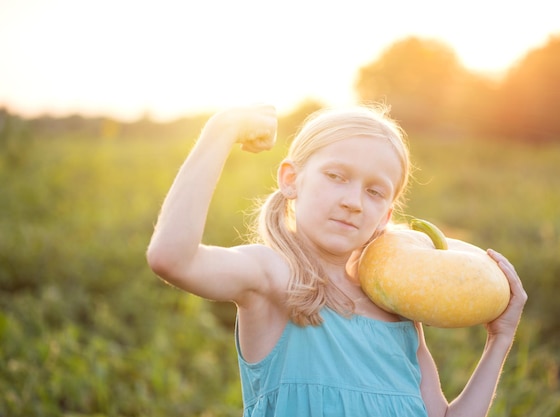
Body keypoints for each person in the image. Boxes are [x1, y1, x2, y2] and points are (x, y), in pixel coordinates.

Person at [147, 103, 527, 416]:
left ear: (387, 216)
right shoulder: (275, 276)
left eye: (375, 191)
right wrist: (222, 129)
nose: (353, 201)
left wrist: (500, 338)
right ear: (291, 179)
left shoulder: (396, 310)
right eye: (336, 175)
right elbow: (172, 259)